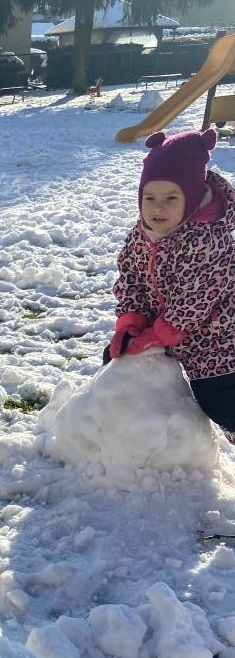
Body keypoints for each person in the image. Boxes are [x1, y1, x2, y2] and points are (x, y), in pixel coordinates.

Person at [106, 128, 235, 438]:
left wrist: (158, 335)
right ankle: (118, 437)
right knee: (114, 359)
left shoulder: (207, 239)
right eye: (149, 198)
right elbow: (130, 278)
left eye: (171, 198)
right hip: (166, 329)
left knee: (218, 400)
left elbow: (197, 299)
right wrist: (131, 322)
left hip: (217, 339)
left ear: (192, 198)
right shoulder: (142, 235)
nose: (158, 207)